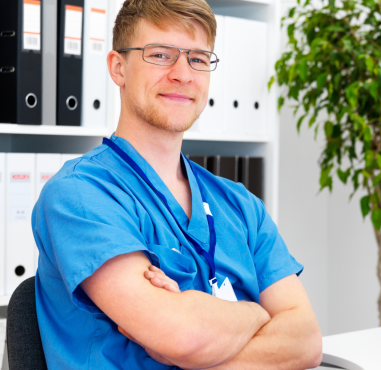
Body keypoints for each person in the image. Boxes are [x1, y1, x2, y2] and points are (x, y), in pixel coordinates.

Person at [31, 0, 322, 368]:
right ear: (118, 67)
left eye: (198, 59)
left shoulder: (241, 205)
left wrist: (200, 331)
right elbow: (182, 336)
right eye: (161, 55)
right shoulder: (79, 195)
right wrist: (258, 314)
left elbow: (306, 341)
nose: (183, 74)